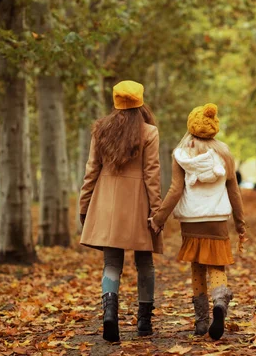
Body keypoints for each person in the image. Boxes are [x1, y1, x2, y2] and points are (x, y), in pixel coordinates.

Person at [149, 103, 247, 340]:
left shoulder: (182, 155)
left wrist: (158, 219)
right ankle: (220, 301)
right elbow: (234, 192)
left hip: (191, 221)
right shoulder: (224, 155)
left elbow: (174, 190)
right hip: (217, 220)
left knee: (197, 268)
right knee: (216, 266)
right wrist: (240, 224)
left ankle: (201, 322)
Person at [78, 80, 162, 342]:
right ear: (140, 101)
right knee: (144, 262)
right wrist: (157, 211)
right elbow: (152, 175)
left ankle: (109, 314)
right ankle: (144, 323)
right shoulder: (149, 132)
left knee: (112, 263)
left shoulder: (101, 130)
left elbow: (91, 170)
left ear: (115, 102)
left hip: (106, 202)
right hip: (139, 204)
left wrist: (84, 205)